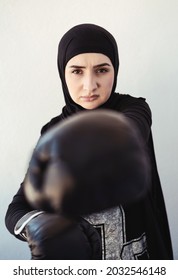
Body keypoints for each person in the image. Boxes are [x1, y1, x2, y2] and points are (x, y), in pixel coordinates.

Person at [5, 23, 173, 260]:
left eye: (102, 70)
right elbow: (18, 208)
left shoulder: (133, 109)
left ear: (115, 70)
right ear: (63, 74)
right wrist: (37, 225)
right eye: (77, 71)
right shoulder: (52, 130)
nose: (90, 85)